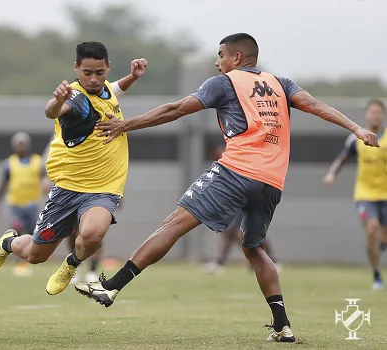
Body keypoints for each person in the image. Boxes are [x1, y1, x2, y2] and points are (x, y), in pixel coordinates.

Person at [74, 33, 379, 343]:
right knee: (254, 249)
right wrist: (356, 128)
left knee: (174, 224)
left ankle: (111, 287)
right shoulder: (282, 83)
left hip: (236, 171)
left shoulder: (224, 82)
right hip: (271, 183)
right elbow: (314, 105)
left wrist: (125, 124)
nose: (216, 62)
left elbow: (176, 109)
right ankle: (282, 325)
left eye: (220, 55)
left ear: (236, 58)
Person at [0, 41, 147, 296]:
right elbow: (53, 111)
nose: (94, 79)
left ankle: (71, 264)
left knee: (93, 234)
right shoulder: (73, 98)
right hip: (68, 187)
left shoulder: (104, 88)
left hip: (103, 187)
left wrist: (132, 78)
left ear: (107, 68)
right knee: (34, 255)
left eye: (99, 72)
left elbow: (113, 90)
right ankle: (8, 242)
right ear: (76, 68)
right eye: (87, 73)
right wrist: (57, 100)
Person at [323, 98, 387, 290]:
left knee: (383, 236)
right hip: (365, 194)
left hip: (385, 194)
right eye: (371, 112)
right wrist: (331, 174)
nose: (375, 115)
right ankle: (376, 274)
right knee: (371, 228)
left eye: (378, 112)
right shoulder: (357, 138)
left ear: (383, 115)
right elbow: (342, 159)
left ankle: (382, 243)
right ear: (366, 114)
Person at [202, 145, 281, 275]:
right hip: (238, 200)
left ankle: (269, 261)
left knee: (248, 232)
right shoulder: (226, 163)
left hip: (246, 198)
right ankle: (223, 263)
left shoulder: (237, 158)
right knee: (233, 232)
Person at [0, 132, 51, 277]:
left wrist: (48, 196)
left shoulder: (37, 162)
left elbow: (45, 181)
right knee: (17, 229)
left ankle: (26, 262)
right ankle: (18, 263)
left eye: (23, 143)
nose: (21, 146)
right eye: (19, 144)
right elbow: (3, 184)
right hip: (15, 203)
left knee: (31, 234)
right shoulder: (9, 163)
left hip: (32, 203)